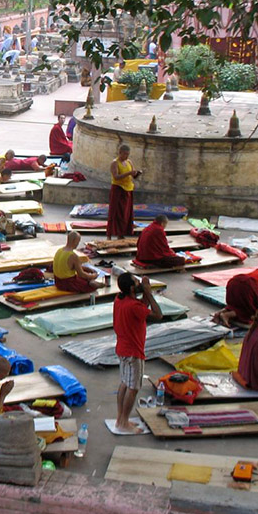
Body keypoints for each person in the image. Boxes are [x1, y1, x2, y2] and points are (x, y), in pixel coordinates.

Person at [113, 273, 162, 433]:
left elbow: (141, 307)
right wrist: (148, 291)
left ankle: (121, 418)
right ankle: (124, 422)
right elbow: (158, 314)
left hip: (123, 348)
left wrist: (144, 291)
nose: (139, 283)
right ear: (132, 288)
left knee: (125, 383)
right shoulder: (134, 306)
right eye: (136, 282)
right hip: (133, 352)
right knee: (133, 388)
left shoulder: (120, 300)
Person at [108, 144, 141, 239]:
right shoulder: (115, 163)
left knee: (125, 213)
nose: (126, 156)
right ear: (120, 153)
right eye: (125, 154)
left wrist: (136, 174)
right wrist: (129, 173)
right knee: (115, 212)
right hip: (118, 188)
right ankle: (110, 234)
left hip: (128, 189)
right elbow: (116, 176)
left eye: (128, 154)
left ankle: (121, 233)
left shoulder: (129, 162)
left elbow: (133, 175)